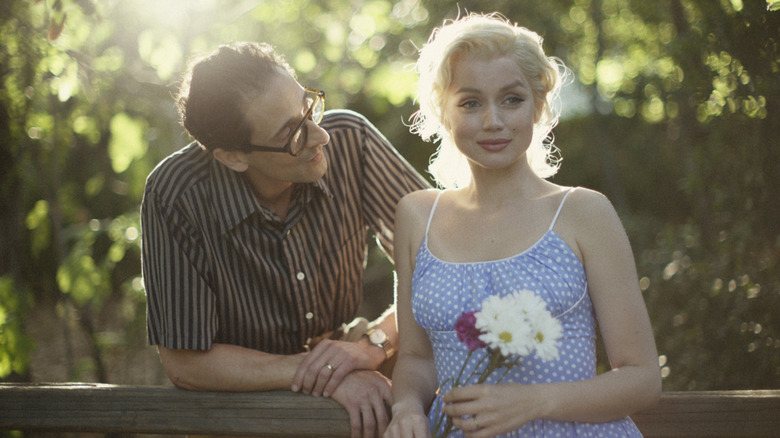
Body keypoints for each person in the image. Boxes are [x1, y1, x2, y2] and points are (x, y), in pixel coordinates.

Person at [385, 13, 661, 438]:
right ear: (443, 110)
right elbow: (418, 359)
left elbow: (642, 378)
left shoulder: (583, 212)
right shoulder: (417, 215)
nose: (493, 120)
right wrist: (406, 408)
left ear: (538, 105)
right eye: (471, 102)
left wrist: (534, 401)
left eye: (511, 99)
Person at [140, 41, 430, 438]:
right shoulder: (176, 194)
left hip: (354, 362)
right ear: (232, 157)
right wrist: (328, 374)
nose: (319, 136)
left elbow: (447, 260)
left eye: (308, 107)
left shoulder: (351, 140)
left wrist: (373, 344)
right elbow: (186, 363)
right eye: (292, 133)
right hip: (241, 413)